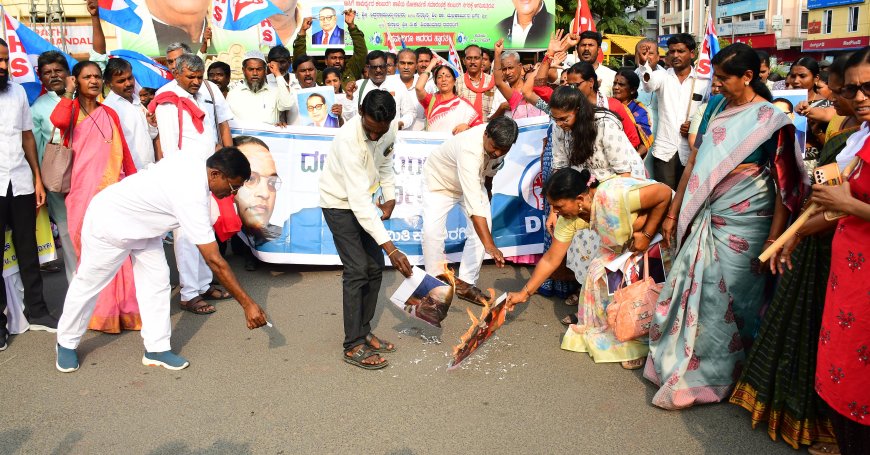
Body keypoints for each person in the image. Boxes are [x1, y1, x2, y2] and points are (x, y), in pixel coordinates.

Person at [645, 43, 808, 410]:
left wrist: (774, 237)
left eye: (723, 78)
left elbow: (785, 188)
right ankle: (693, 367)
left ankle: (733, 369)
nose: (715, 85)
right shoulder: (717, 107)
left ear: (748, 77)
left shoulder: (771, 119)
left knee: (735, 298)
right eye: (714, 77)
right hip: (708, 214)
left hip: (749, 223)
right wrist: (673, 213)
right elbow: (695, 163)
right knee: (698, 293)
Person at [729, 53, 859, 454]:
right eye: (840, 89)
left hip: (831, 239)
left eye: (844, 91)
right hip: (819, 236)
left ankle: (825, 423)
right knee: (801, 324)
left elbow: (845, 199)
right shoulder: (847, 126)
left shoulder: (857, 132)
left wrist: (795, 233)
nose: (837, 97)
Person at [54, 149, 269, 372]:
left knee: (157, 284)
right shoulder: (191, 193)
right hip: (111, 222)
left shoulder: (197, 162)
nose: (232, 193)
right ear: (215, 174)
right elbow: (214, 260)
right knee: (88, 284)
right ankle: (66, 343)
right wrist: (248, 304)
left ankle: (156, 349)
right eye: (233, 187)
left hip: (146, 229)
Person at [506, 168, 672, 369]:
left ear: (578, 199)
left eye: (558, 206)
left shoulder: (612, 196)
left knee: (641, 291)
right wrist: (524, 293)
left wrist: (646, 234)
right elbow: (551, 259)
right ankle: (625, 333)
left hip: (661, 231)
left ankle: (642, 342)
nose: (556, 212)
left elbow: (663, 194)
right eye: (553, 207)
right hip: (625, 244)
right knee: (597, 272)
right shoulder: (569, 218)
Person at [790, 45, 870, 455]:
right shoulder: (855, 134)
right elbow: (830, 191)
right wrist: (796, 234)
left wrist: (848, 206)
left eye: (864, 88)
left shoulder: (842, 124)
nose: (856, 98)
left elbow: (845, 203)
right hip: (842, 267)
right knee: (843, 373)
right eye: (850, 90)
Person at [319, 90, 413, 370]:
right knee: (357, 270)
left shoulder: (388, 130)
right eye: (370, 130)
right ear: (360, 111)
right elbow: (359, 202)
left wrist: (390, 195)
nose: (374, 136)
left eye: (379, 131)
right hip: (338, 203)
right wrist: (392, 247)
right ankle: (352, 345)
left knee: (374, 267)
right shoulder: (348, 140)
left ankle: (364, 330)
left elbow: (385, 163)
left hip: (364, 202)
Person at [51, 61, 141, 334]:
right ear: (75, 81)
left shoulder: (109, 113)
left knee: (120, 253)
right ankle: (99, 314)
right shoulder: (71, 111)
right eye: (86, 77)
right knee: (91, 256)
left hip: (113, 193)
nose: (93, 81)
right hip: (81, 195)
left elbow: (123, 152)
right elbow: (57, 121)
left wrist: (134, 184)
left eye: (96, 76)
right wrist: (67, 94)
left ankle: (125, 313)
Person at [151, 53, 234, 315]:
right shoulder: (167, 99)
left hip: (207, 173)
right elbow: (169, 144)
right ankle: (188, 293)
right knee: (186, 235)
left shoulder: (206, 91)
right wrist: (178, 182)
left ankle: (203, 284)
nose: (197, 82)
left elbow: (213, 129)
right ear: (176, 74)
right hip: (183, 177)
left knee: (204, 228)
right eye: (191, 77)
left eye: (199, 77)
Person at [422, 117, 519, 305]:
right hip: (439, 183)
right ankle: (434, 290)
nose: (498, 152)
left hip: (474, 181)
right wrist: (490, 245)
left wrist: (488, 193)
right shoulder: (469, 148)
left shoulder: (501, 143)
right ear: (485, 134)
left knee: (483, 228)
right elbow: (474, 205)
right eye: (494, 147)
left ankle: (465, 285)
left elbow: (490, 172)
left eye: (503, 150)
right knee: (432, 233)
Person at [0, 39, 57, 344]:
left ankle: (37, 311)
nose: (3, 66)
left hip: (20, 182)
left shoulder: (17, 91)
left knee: (27, 251)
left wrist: (36, 178)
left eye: (5, 60)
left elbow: (27, 138)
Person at [30, 51, 79, 283]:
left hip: (87, 176)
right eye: (47, 73)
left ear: (68, 72)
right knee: (68, 238)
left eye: (58, 70)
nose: (53, 76)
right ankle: (78, 302)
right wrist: (41, 183)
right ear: (41, 78)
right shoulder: (38, 108)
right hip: (58, 182)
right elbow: (38, 149)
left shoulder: (84, 96)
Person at [639, 33, 706, 190]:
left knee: (687, 199)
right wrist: (644, 65)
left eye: (680, 51)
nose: (675, 55)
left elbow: (709, 113)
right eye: (672, 51)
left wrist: (694, 127)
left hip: (693, 151)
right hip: (664, 151)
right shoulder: (662, 76)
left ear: (692, 53)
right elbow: (648, 85)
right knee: (665, 197)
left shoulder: (703, 81)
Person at [102, 58, 161, 169]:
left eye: (130, 78)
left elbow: (149, 136)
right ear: (109, 84)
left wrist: (151, 125)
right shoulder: (108, 108)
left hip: (148, 169)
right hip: (128, 173)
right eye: (121, 81)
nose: (128, 83)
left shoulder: (137, 101)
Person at [293, 8, 367, 85]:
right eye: (333, 58)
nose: (338, 61)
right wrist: (302, 31)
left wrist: (351, 26)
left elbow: (361, 52)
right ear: (326, 61)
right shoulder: (318, 76)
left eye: (341, 58)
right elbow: (300, 61)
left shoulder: (351, 71)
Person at [226, 51, 296, 126]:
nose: (255, 73)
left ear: (265, 70)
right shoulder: (233, 94)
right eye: (251, 69)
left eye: (259, 69)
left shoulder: (274, 92)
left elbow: (287, 105)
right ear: (244, 71)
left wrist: (277, 74)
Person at [351, 51, 416, 130]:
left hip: (392, 136)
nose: (378, 70)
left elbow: (410, 112)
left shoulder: (398, 85)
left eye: (381, 66)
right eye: (374, 67)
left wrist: (400, 124)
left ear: (386, 66)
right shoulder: (359, 86)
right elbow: (351, 116)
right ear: (367, 67)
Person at [415, 61, 481, 134]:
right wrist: (431, 65)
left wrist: (467, 127)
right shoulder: (430, 100)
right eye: (439, 77)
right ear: (436, 82)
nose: (444, 79)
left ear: (454, 81)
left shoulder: (463, 103)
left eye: (448, 76)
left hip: (455, 144)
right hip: (434, 144)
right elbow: (418, 87)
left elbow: (479, 127)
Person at [491, 40, 545, 120]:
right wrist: (502, 108)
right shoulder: (499, 93)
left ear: (520, 66)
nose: (507, 72)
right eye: (504, 69)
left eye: (510, 68)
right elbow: (491, 120)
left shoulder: (531, 87)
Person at [613, 69, 653, 157]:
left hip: (629, 156)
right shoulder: (607, 104)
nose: (616, 87)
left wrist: (635, 157)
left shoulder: (639, 110)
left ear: (632, 90)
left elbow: (646, 139)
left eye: (621, 84)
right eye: (615, 83)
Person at [458, 45, 496, 122]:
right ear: (464, 61)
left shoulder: (493, 82)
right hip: (464, 130)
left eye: (476, 58)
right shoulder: (457, 83)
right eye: (469, 58)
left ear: (482, 60)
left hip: (487, 130)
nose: (472, 62)